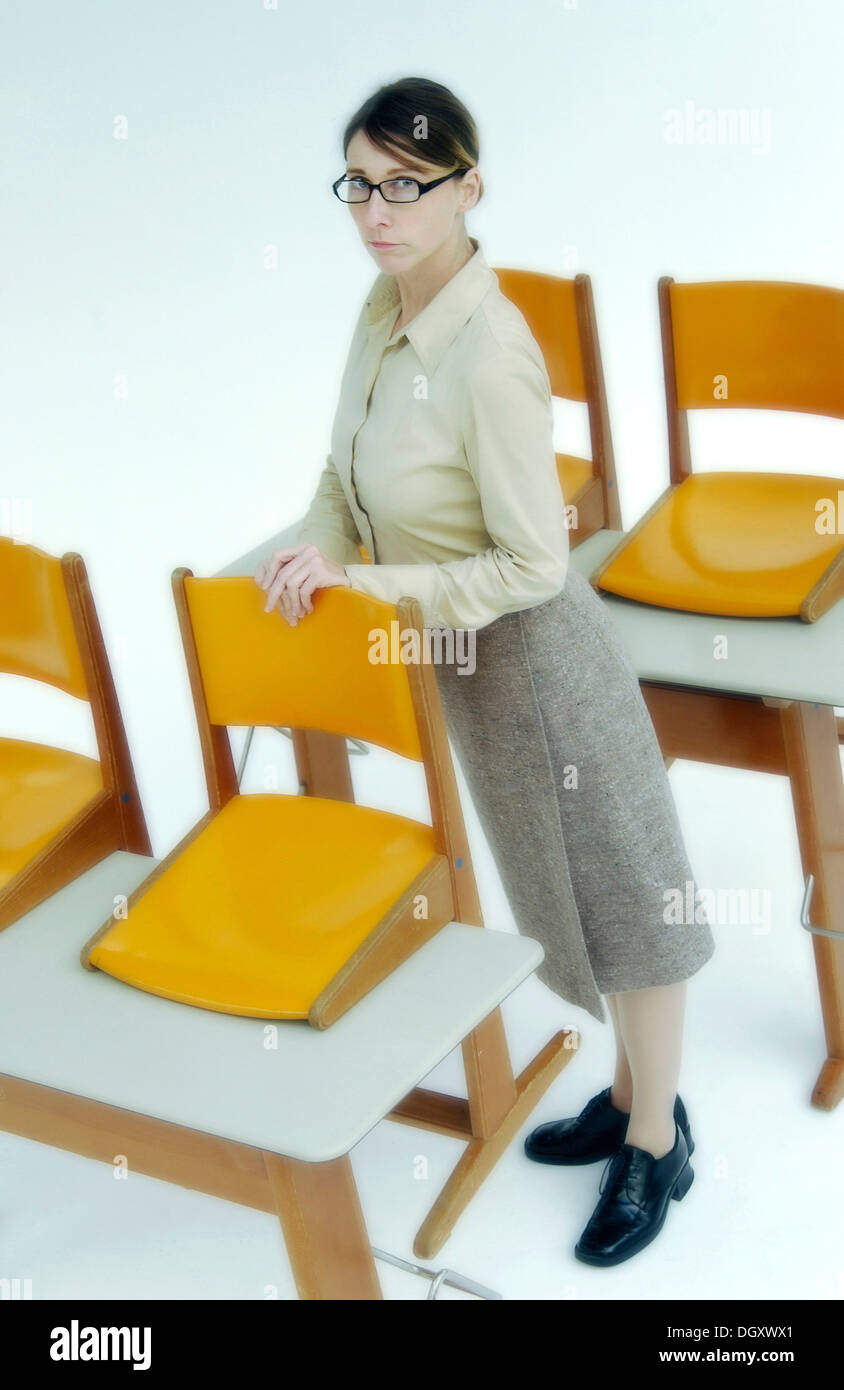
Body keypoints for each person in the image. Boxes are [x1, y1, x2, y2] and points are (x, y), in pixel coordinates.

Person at [254, 76, 715, 1268]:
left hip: (541, 658)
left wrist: (371, 593)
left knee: (624, 895)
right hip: (467, 662)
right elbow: (339, 465)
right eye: (360, 182)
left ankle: (657, 1138)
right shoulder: (382, 305)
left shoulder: (491, 354)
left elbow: (529, 562)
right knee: (561, 897)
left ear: (470, 187)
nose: (377, 210)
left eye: (408, 186)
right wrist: (324, 544)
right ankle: (627, 1100)